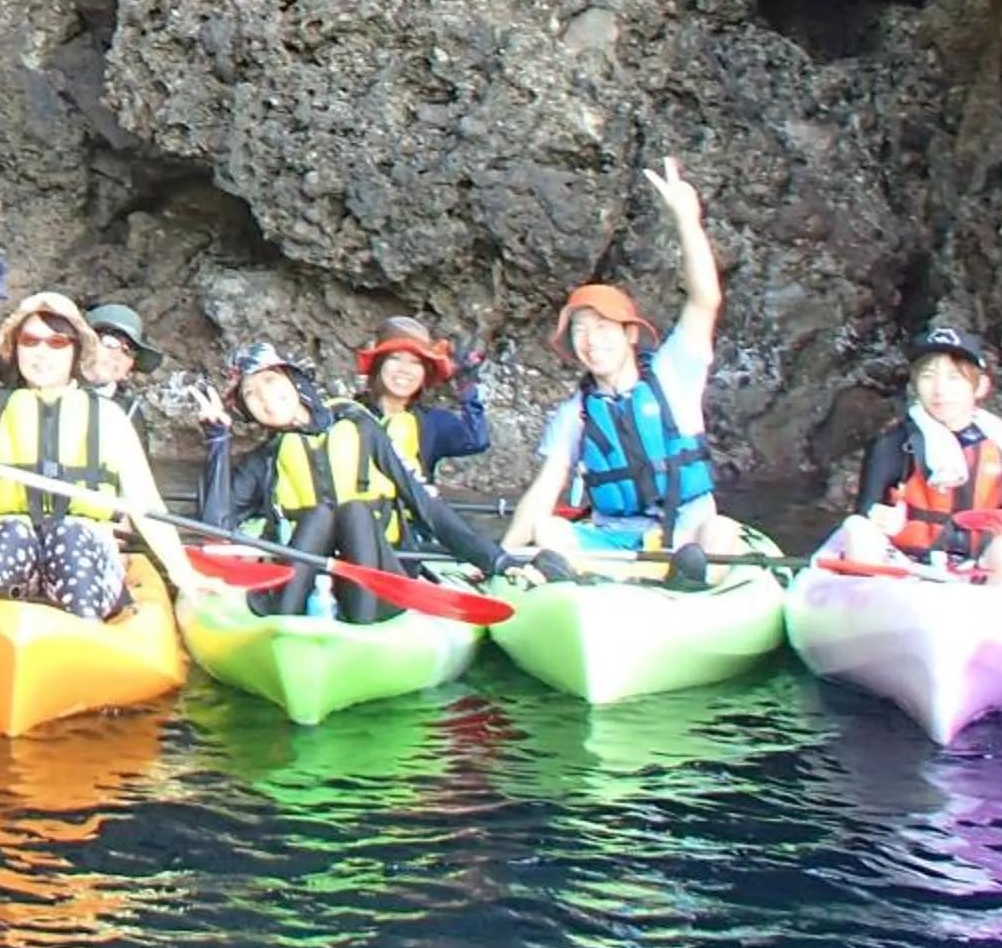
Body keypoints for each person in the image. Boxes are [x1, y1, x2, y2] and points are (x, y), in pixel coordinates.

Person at [0, 292, 207, 619]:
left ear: (76, 351)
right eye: (30, 341)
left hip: (82, 555)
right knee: (9, 531)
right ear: (15, 349)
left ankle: (82, 628)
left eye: (57, 342)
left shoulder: (110, 418)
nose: (41, 352)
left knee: (70, 534)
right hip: (8, 550)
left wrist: (185, 577)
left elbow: (147, 507)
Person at [499, 159, 753, 581]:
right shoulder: (576, 413)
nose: (591, 339)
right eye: (581, 330)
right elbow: (545, 489)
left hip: (683, 534)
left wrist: (687, 220)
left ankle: (688, 587)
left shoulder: (675, 373)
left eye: (603, 327)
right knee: (549, 529)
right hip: (613, 543)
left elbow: (705, 300)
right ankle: (589, 586)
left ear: (631, 335)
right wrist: (504, 554)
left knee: (721, 532)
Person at [195, 344, 506, 618]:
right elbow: (215, 530)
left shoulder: (357, 425)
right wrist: (218, 440)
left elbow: (425, 505)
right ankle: (283, 618)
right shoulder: (266, 458)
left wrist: (495, 560)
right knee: (319, 514)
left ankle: (364, 620)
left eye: (269, 380)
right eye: (249, 393)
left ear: (294, 381)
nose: (264, 397)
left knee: (354, 509)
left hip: (380, 579)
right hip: (298, 588)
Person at [821, 325, 1002, 589]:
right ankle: (868, 613)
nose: (940, 391)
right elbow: (865, 513)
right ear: (915, 384)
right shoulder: (894, 445)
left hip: (976, 569)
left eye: (954, 377)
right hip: (902, 570)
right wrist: (878, 519)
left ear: (980, 386)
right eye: (928, 376)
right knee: (858, 529)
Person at [0, 241, 159, 404]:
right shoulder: (40, 375)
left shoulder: (128, 414)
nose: (116, 355)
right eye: (110, 342)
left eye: (128, 350)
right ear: (83, 344)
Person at [355, 320, 490, 483]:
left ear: (424, 374)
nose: (404, 369)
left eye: (416, 362)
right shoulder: (350, 416)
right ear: (378, 366)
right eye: (395, 358)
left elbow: (476, 440)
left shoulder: (431, 423)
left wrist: (465, 383)